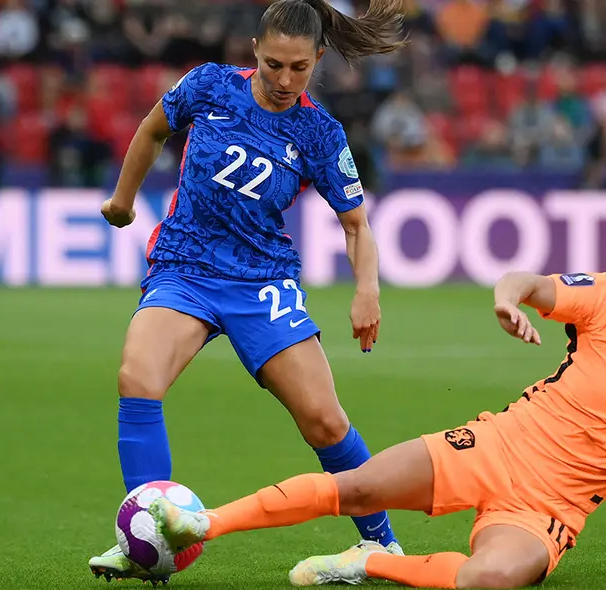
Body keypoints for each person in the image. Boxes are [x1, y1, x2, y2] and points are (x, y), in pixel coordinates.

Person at [146, 154, 606, 587]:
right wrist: (506, 298)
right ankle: (200, 524)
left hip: (551, 509)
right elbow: (527, 280)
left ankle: (369, 563)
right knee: (355, 489)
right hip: (497, 446)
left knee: (483, 583)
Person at [89, 0, 408, 582]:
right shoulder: (208, 86)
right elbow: (153, 127)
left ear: (317, 59)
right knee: (138, 379)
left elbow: (356, 225)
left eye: (298, 68)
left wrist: (368, 291)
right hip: (184, 267)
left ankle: (381, 544)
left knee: (325, 423)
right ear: (253, 53)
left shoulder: (318, 132)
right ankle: (150, 539)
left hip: (262, 282)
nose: (284, 80)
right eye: (272, 66)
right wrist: (123, 199)